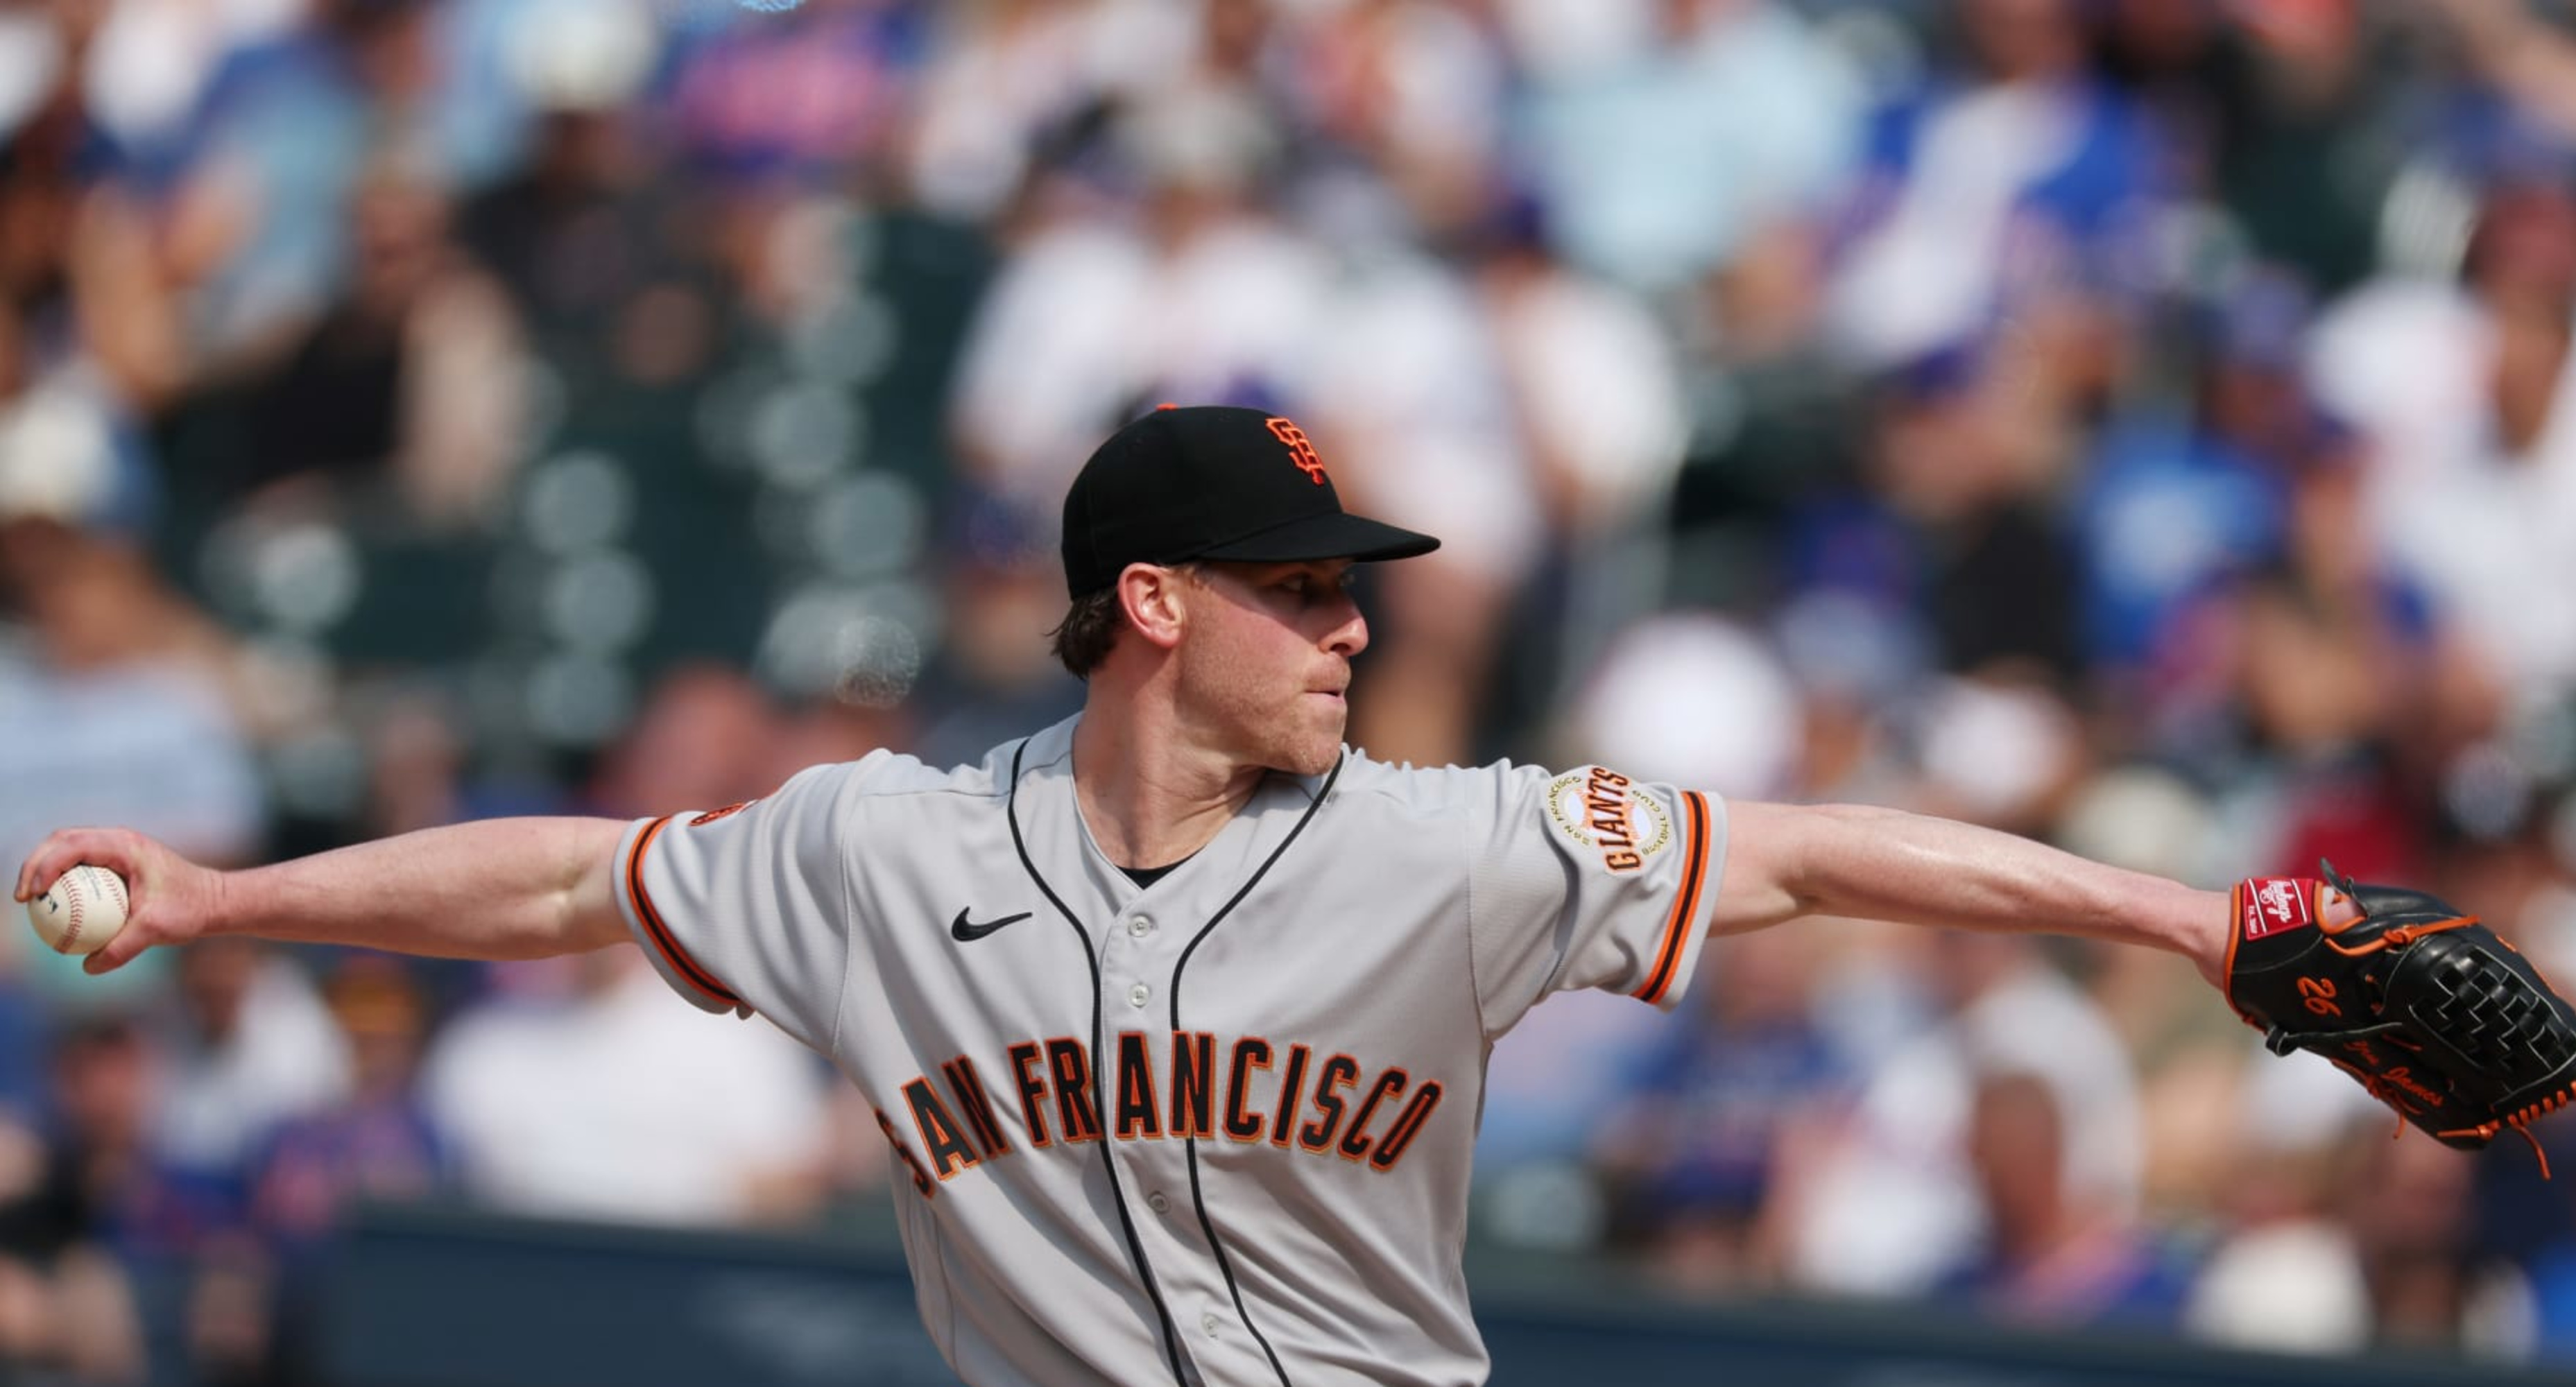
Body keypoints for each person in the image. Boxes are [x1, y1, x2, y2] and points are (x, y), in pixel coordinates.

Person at [10, 405, 2379, 1385]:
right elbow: (560, 884)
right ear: (1153, 603)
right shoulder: (883, 845)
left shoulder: (1453, 847)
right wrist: (225, 901)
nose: (1354, 627)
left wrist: (2184, 924)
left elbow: (1822, 852)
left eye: (1353, 591)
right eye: (1302, 592)